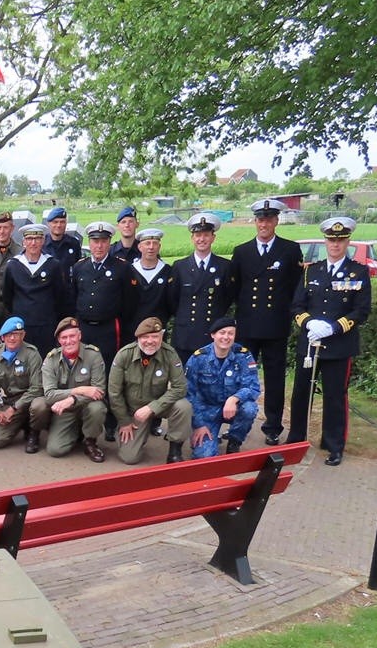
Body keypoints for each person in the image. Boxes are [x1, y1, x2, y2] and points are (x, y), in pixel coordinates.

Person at [286, 217, 371, 466]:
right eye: (331, 240)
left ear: (348, 241)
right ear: (325, 241)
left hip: (339, 345)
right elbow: (296, 306)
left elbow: (361, 311)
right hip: (310, 344)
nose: (335, 244)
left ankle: (334, 445)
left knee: (335, 396)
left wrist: (333, 328)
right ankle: (295, 439)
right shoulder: (312, 271)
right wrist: (309, 323)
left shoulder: (359, 272)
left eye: (340, 240)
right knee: (301, 394)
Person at [229, 198, 304, 445]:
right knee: (240, 377)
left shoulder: (290, 250)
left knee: (274, 379)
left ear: (276, 221)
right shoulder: (241, 252)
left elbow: (296, 288)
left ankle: (272, 426)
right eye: (261, 219)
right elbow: (236, 288)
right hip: (248, 325)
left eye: (269, 219)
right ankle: (237, 424)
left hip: (275, 326)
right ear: (255, 221)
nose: (264, 224)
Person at [72, 221, 136, 439]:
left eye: (103, 241)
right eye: (95, 241)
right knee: (83, 373)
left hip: (109, 328)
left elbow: (129, 303)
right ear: (89, 242)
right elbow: (74, 297)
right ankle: (81, 420)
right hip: (84, 328)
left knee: (110, 374)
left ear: (110, 242)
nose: (99, 246)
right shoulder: (79, 267)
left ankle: (110, 422)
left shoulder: (122, 267)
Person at [108, 317, 192, 464]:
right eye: (146, 337)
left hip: (159, 406)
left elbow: (180, 387)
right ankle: (139, 433)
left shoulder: (170, 354)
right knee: (130, 458)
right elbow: (114, 393)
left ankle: (175, 451)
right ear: (138, 338)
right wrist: (124, 421)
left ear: (161, 337)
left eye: (155, 336)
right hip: (133, 411)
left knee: (183, 406)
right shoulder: (124, 355)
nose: (150, 341)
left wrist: (152, 408)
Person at [185, 318, 260, 458]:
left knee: (249, 408)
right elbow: (189, 394)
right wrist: (199, 424)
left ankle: (234, 440)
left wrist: (234, 398)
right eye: (222, 333)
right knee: (204, 457)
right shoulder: (198, 358)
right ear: (213, 335)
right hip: (206, 410)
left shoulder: (243, 355)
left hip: (234, 408)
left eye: (230, 333)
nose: (226, 337)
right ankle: (207, 436)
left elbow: (253, 387)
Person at [168, 213, 233, 365]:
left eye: (206, 235)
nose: (201, 239)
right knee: (184, 381)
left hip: (211, 332)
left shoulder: (224, 266)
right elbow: (172, 300)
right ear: (192, 238)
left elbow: (227, 298)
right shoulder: (180, 266)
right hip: (185, 334)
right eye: (198, 235)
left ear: (213, 237)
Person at [41, 317, 107, 462]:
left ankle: (90, 442)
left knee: (97, 408)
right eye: (64, 337)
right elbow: (50, 395)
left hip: (86, 406)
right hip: (65, 411)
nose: (68, 341)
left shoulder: (93, 355)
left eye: (72, 336)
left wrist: (71, 399)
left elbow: (100, 391)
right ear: (59, 340)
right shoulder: (51, 359)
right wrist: (79, 390)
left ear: (80, 335)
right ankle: (75, 432)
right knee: (55, 450)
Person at [2, 223, 70, 356]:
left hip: (46, 325)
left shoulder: (53, 265)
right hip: (21, 326)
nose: (33, 243)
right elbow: (7, 297)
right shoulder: (13, 266)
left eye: (37, 239)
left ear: (43, 241)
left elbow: (60, 296)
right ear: (23, 242)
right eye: (29, 239)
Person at [0, 317, 50, 453]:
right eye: (8, 335)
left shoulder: (32, 354)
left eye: (16, 334)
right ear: (2, 337)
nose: (12, 338)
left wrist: (13, 409)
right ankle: (20, 423)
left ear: (23, 335)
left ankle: (34, 433)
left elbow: (37, 388)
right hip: (7, 401)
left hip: (28, 401)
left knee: (40, 406)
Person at [126, 228, 172, 332]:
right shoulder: (129, 271)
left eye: (155, 243)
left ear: (159, 247)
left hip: (158, 328)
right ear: (139, 247)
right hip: (132, 329)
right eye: (147, 243)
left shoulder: (168, 271)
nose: (151, 247)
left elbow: (171, 302)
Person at [42, 207, 81, 271]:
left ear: (66, 223)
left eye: (62, 222)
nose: (59, 225)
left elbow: (78, 268)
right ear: (48, 224)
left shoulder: (74, 243)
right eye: (55, 222)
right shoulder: (42, 244)